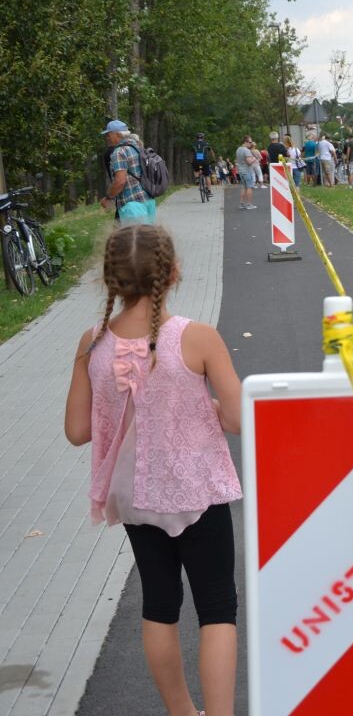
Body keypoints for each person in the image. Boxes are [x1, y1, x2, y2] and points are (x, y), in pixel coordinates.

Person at [64, 224, 242, 716]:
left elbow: (77, 431)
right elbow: (236, 418)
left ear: (111, 279)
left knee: (160, 604)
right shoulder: (198, 338)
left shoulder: (91, 342)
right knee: (217, 608)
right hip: (195, 491)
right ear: (174, 272)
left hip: (134, 496)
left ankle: (183, 713)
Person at [101, 120, 157, 224]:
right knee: (148, 238)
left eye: (109, 134)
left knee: (133, 239)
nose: (107, 138)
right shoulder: (139, 147)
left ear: (117, 135)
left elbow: (120, 181)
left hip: (132, 205)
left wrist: (108, 197)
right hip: (149, 202)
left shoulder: (119, 152)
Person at [235, 136, 259, 210]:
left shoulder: (238, 149)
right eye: (250, 142)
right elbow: (249, 162)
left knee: (243, 187)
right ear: (245, 142)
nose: (251, 143)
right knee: (249, 187)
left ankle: (241, 204)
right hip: (247, 171)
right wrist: (254, 159)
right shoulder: (246, 150)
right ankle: (249, 204)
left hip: (240, 171)